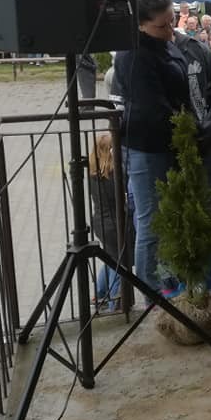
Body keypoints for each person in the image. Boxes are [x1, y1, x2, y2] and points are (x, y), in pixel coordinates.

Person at [114, 0, 192, 298]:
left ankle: (167, 279)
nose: (170, 30)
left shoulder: (164, 44)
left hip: (168, 142)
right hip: (147, 146)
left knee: (168, 217)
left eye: (172, 21)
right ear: (142, 25)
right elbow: (153, 105)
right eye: (162, 25)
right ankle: (150, 291)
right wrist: (185, 128)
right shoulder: (134, 55)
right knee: (150, 221)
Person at [174, 26, 211, 293]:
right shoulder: (141, 54)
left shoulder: (198, 51)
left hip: (205, 149)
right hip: (169, 152)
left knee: (210, 219)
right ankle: (176, 289)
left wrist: (208, 132)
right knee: (173, 222)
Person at [88, 133, 123, 310]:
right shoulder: (113, 174)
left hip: (99, 222)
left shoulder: (93, 173)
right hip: (114, 224)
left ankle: (100, 294)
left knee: (110, 258)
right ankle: (114, 304)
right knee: (120, 263)